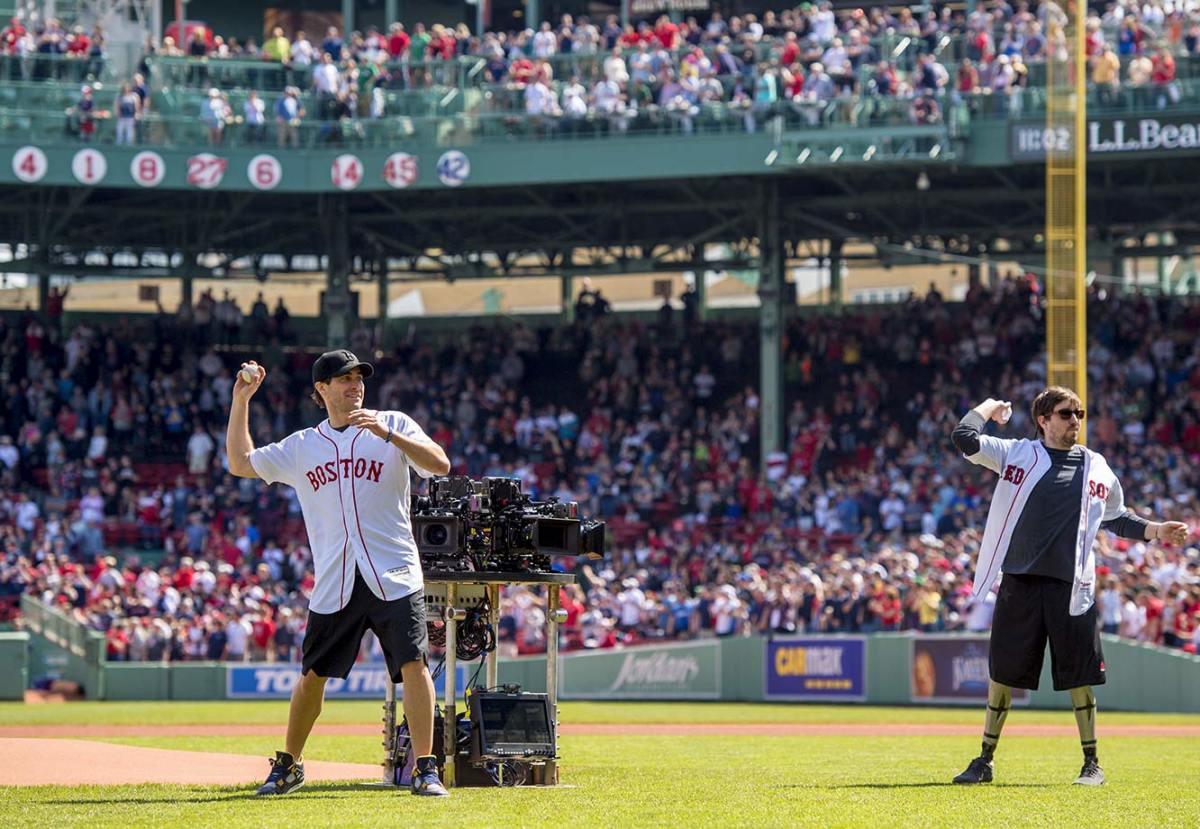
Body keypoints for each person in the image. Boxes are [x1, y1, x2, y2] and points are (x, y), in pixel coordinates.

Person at [227, 349, 451, 797]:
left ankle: (426, 769)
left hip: (394, 571)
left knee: (413, 663)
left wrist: (389, 434)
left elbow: (439, 464)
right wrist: (241, 401)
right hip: (337, 579)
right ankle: (289, 764)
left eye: (358, 377)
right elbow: (240, 463)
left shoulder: (393, 424)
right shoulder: (303, 446)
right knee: (312, 675)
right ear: (321, 390)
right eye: (342, 378)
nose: (354, 385)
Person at [949, 387, 1190, 786]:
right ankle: (985, 760)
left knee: (1081, 677)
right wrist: (990, 407)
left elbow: (1116, 518)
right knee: (1003, 675)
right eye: (1065, 413)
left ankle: (1091, 764)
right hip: (1020, 581)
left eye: (1079, 412)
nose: (1075, 419)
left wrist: (1154, 530)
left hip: (1072, 585)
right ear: (1043, 420)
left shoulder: (1097, 466)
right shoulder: (1018, 454)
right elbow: (964, 438)